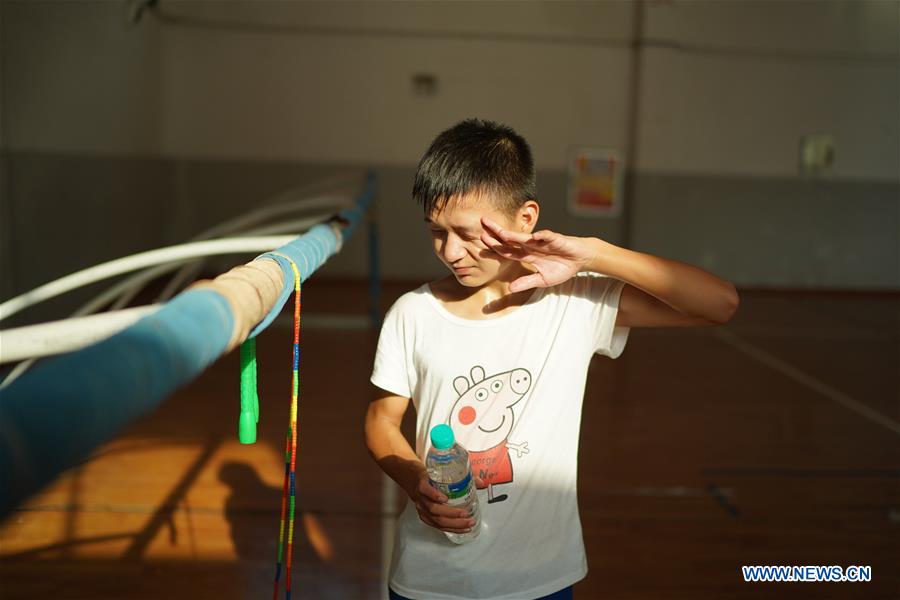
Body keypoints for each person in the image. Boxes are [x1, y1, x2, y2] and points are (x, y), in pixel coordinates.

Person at [364, 118, 739, 600]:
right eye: (437, 232)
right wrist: (415, 478)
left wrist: (594, 256)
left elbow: (719, 304)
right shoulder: (412, 313)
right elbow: (380, 419)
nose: (451, 252)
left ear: (525, 219)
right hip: (430, 581)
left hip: (541, 579)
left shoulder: (575, 302)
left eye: (465, 232)